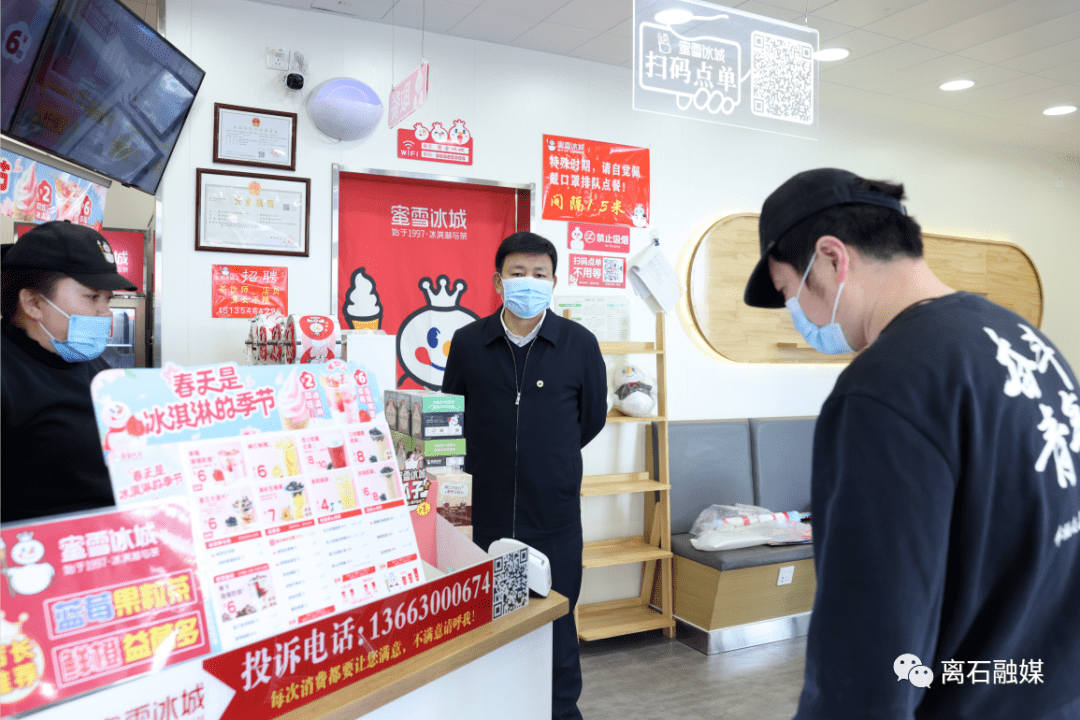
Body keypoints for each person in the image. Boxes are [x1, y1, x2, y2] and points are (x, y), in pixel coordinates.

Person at [743, 168, 1080, 719]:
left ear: (832, 259)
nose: (799, 314)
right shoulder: (1026, 342)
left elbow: (871, 646)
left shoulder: (887, 388)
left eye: (790, 292)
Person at [442, 231, 607, 720]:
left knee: (554, 626)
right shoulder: (470, 342)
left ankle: (559, 713)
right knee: (494, 624)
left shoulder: (578, 343)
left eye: (540, 275)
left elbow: (591, 419)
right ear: (498, 281)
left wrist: (546, 455)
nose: (528, 283)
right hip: (486, 519)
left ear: (554, 282)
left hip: (552, 519)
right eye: (518, 274)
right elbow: (451, 416)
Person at [2, 221, 135, 523]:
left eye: (108, 299)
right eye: (92, 297)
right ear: (33, 302)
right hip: (37, 555)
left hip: (115, 543)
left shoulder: (94, 365)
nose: (105, 312)